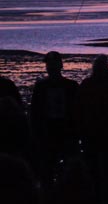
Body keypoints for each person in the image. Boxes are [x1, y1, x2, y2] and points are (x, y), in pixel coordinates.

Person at [75, 54, 108, 201]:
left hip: (102, 130)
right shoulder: (99, 83)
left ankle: (102, 194)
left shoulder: (107, 84)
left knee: (103, 167)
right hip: (94, 131)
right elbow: (78, 107)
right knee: (98, 167)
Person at [30, 51, 79, 188]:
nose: (50, 67)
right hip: (48, 134)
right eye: (49, 64)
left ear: (60, 66)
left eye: (53, 64)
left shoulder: (71, 86)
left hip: (65, 133)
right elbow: (35, 112)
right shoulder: (41, 87)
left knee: (66, 171)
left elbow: (78, 110)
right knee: (48, 171)